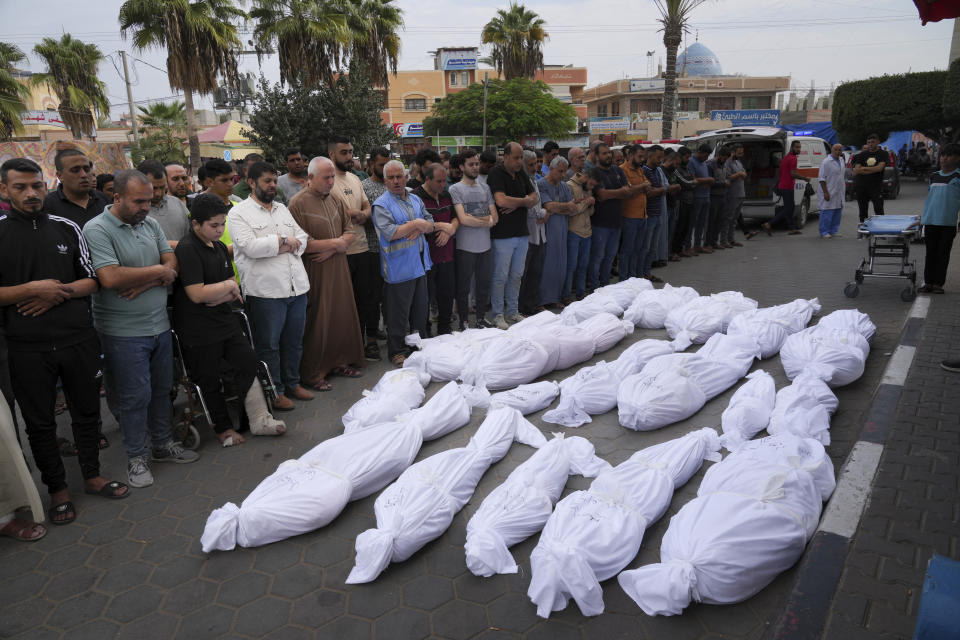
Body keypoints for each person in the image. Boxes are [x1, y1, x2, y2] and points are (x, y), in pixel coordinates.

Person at [0, 157, 129, 523]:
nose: (30, 194)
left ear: (46, 185)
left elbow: (92, 280)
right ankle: (57, 489)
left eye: (36, 185)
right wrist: (29, 288)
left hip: (78, 339)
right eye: (20, 187)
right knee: (39, 423)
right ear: (4, 190)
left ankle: (92, 474)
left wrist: (57, 291)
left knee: (88, 412)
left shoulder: (67, 227)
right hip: (26, 348)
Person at [83, 169, 199, 489]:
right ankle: (136, 457)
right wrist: (158, 274)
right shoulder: (96, 229)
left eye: (148, 200)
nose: (146, 207)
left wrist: (148, 276)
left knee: (162, 390)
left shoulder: (149, 224)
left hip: (158, 324)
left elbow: (171, 261)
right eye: (138, 201)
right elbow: (110, 278)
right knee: (135, 397)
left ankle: (161, 445)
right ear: (116, 197)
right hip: (122, 330)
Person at [172, 193, 286, 446]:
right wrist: (224, 288)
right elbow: (197, 293)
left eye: (222, 224)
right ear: (196, 224)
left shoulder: (221, 247)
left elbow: (233, 285)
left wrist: (223, 291)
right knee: (209, 378)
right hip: (198, 329)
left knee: (249, 363)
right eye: (214, 225)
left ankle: (259, 420)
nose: (220, 230)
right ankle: (223, 429)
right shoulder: (188, 248)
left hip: (225, 320)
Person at [229, 161, 314, 411]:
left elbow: (303, 238)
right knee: (269, 345)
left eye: (274, 181)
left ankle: (293, 383)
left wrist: (284, 243)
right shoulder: (239, 213)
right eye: (267, 181)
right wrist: (282, 241)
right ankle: (274, 391)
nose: (273, 186)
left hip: (295, 287)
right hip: (266, 292)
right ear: (251, 182)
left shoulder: (282, 209)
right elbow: (250, 248)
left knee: (294, 341)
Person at [288, 156, 365, 389]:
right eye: (326, 177)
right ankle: (314, 373)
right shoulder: (297, 204)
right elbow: (300, 243)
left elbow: (350, 232)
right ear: (310, 178)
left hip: (337, 266)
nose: (331, 181)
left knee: (340, 316)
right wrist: (337, 245)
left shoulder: (336, 199)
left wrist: (334, 247)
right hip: (315, 270)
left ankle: (340, 362)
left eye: (333, 176)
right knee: (318, 320)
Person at [372, 160, 436, 366]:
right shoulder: (381, 204)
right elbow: (390, 233)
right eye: (390, 178)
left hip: (419, 264)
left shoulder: (415, 199)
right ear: (385, 180)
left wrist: (420, 225)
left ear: (406, 177)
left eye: (399, 176)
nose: (396, 181)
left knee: (420, 310)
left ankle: (417, 345)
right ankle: (397, 351)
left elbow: (431, 223)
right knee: (398, 313)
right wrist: (417, 224)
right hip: (398, 267)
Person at [487, 142, 537, 328]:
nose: (519, 161)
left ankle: (513, 312)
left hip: (522, 232)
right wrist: (525, 201)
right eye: (515, 158)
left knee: (516, 275)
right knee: (500, 276)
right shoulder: (496, 173)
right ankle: (498, 314)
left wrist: (517, 202)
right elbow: (500, 200)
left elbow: (535, 198)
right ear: (505, 156)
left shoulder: (521, 173)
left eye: (520, 158)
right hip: (502, 235)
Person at [450, 148, 497, 329]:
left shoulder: (485, 188)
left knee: (483, 284)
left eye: (477, 163)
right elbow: (463, 219)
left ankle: (480, 319)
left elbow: (496, 218)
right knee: (463, 288)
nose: (475, 167)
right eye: (471, 164)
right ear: (462, 167)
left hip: (484, 246)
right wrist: (486, 220)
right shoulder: (455, 189)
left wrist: (475, 220)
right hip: (465, 246)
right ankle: (463, 321)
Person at [414, 164, 458, 335]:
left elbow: (455, 219)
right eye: (438, 181)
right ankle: (424, 332)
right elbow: (418, 225)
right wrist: (443, 226)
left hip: (446, 254)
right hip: (425, 257)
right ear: (427, 179)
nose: (442, 185)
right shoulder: (416, 197)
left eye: (444, 181)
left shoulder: (446, 194)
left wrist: (450, 230)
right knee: (424, 298)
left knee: (446, 295)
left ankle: (444, 329)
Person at [359, 148, 391, 360]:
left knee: (388, 297)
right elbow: (364, 219)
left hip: (393, 251)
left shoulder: (394, 186)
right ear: (371, 165)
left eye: (388, 165)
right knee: (371, 297)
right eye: (381, 166)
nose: (386, 170)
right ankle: (370, 340)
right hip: (371, 249)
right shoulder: (364, 187)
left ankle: (386, 330)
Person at [589, 143, 633, 289]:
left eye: (609, 153)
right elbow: (601, 195)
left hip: (616, 223)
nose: (608, 155)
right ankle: (595, 288)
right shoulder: (593, 173)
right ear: (596, 156)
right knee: (597, 258)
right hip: (600, 224)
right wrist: (620, 191)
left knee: (610, 258)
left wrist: (614, 193)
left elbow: (629, 191)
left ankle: (605, 286)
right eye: (604, 153)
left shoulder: (617, 170)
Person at [918, 143, 960, 295]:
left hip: (948, 223)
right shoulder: (933, 176)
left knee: (943, 253)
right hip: (930, 221)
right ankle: (928, 282)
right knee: (930, 253)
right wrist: (922, 219)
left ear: (957, 158)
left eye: (948, 155)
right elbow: (931, 198)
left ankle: (938, 283)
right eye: (943, 155)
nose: (944, 158)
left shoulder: (958, 176)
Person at [538, 156, 577, 308]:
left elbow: (573, 208)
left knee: (561, 265)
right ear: (551, 169)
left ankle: (555, 298)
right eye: (560, 171)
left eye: (564, 172)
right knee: (546, 265)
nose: (562, 175)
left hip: (562, 231)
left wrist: (558, 207)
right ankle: (542, 300)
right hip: (547, 232)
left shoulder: (564, 186)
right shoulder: (541, 184)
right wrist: (564, 206)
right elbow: (549, 206)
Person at [42, 149, 111, 227]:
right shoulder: (48, 205)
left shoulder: (103, 199)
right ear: (60, 176)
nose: (84, 175)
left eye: (86, 169)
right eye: (75, 170)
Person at [518, 150, 548, 316]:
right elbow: (532, 210)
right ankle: (521, 307)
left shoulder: (534, 180)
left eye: (536, 163)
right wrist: (544, 212)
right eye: (530, 164)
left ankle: (531, 305)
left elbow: (537, 205)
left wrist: (542, 211)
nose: (535, 166)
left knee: (535, 272)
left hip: (539, 233)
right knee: (524, 273)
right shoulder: (522, 182)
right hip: (527, 234)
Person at [564, 167, 599, 302]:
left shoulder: (588, 188)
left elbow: (590, 213)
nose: (591, 187)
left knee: (583, 265)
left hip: (587, 231)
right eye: (591, 184)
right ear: (585, 176)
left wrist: (590, 205)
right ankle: (566, 295)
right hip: (573, 230)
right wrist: (586, 202)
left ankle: (581, 292)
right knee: (571, 265)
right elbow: (571, 211)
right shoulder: (570, 186)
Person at [138, 159, 190, 248]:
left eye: (162, 187)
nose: (158, 193)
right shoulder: (133, 212)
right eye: (153, 188)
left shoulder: (177, 203)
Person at [618, 145, 650, 280]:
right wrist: (642, 186)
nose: (642, 159)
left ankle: (634, 278)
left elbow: (648, 186)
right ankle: (624, 279)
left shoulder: (640, 170)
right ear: (630, 155)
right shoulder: (622, 170)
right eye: (639, 156)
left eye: (643, 157)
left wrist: (641, 187)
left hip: (643, 215)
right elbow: (628, 191)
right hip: (629, 216)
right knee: (627, 251)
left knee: (638, 250)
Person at [764, 139, 808, 235]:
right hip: (787, 187)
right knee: (788, 208)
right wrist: (805, 178)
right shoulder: (793, 158)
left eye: (799, 147)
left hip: (783, 186)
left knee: (790, 207)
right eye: (797, 147)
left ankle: (792, 228)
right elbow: (793, 173)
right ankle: (769, 224)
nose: (798, 149)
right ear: (792, 147)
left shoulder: (785, 158)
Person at [641, 145, 667, 282]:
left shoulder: (657, 170)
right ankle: (641, 273)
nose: (661, 160)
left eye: (662, 157)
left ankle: (647, 272)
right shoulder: (644, 170)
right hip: (649, 214)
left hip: (658, 214)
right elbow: (649, 192)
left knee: (653, 247)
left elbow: (661, 188)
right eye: (658, 157)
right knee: (645, 247)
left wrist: (660, 189)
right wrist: (661, 190)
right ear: (649, 156)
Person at [723, 144, 755, 245]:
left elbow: (744, 172)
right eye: (739, 153)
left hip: (740, 193)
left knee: (735, 218)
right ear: (733, 152)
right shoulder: (727, 163)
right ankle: (724, 240)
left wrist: (742, 174)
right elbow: (726, 177)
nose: (741, 155)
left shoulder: (738, 162)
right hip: (732, 194)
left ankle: (731, 239)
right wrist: (739, 174)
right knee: (728, 218)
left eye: (742, 153)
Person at [852, 134, 887, 222]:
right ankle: (864, 231)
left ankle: (880, 231)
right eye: (868, 142)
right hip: (862, 186)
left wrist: (864, 168)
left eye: (873, 142)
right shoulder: (862, 154)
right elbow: (857, 170)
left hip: (876, 186)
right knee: (862, 211)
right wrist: (872, 169)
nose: (870, 144)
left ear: (878, 142)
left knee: (879, 210)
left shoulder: (883, 154)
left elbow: (880, 168)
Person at [688, 144, 715, 253]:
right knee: (692, 223)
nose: (707, 158)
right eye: (705, 155)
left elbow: (703, 180)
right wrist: (708, 180)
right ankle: (688, 246)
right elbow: (693, 179)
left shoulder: (704, 163)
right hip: (697, 196)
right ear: (699, 152)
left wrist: (706, 181)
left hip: (706, 195)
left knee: (702, 222)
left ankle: (698, 245)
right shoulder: (691, 162)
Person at [671, 147, 696, 258]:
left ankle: (681, 249)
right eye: (686, 157)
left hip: (690, 201)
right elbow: (685, 183)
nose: (688, 159)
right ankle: (674, 250)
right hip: (681, 201)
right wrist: (693, 183)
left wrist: (693, 183)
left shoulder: (687, 168)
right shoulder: (677, 169)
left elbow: (692, 181)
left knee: (686, 227)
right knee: (679, 227)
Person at [817, 143, 846, 238]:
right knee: (827, 212)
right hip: (829, 190)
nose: (838, 152)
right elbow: (821, 179)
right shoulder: (826, 162)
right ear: (832, 150)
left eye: (839, 150)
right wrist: (825, 192)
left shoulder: (841, 160)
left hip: (839, 191)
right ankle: (824, 231)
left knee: (837, 211)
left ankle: (834, 230)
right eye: (836, 150)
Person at [705, 146, 730, 250]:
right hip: (713, 196)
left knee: (719, 220)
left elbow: (727, 176)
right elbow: (710, 181)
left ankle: (715, 242)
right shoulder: (710, 165)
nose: (724, 161)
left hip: (722, 196)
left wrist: (727, 181)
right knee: (711, 221)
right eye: (724, 158)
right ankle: (707, 243)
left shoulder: (723, 165)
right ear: (719, 155)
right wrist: (723, 183)